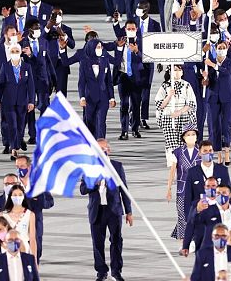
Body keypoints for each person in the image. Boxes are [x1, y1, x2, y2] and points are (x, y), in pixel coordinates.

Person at [80, 138, 133, 281]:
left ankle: (116, 271)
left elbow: (124, 190)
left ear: (109, 150)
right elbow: (83, 189)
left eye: (104, 149)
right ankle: (101, 271)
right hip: (96, 211)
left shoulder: (117, 166)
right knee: (97, 243)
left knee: (116, 241)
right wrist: (94, 183)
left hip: (114, 210)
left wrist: (129, 211)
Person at [69, 38, 121, 139]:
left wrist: (112, 98)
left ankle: (101, 145)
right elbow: (82, 82)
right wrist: (82, 97)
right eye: (98, 47)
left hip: (103, 97)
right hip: (89, 98)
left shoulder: (104, 60)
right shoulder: (84, 62)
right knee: (90, 122)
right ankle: (90, 144)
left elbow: (108, 81)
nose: (100, 49)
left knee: (101, 122)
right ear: (91, 48)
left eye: (101, 47)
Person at [122, 1, 161, 129]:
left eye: (140, 8)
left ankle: (143, 118)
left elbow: (158, 44)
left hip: (148, 61)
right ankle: (133, 116)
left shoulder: (155, 25)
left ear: (146, 9)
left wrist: (159, 60)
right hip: (135, 61)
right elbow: (123, 35)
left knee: (146, 90)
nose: (138, 9)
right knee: (135, 89)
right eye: (137, 7)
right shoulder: (133, 23)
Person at [0, 44, 36, 159]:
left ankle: (16, 144)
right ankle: (14, 149)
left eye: (16, 50)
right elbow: (0, 84)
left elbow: (31, 85)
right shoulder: (5, 66)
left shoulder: (27, 67)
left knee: (20, 126)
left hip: (22, 101)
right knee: (12, 124)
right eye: (12, 51)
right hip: (8, 102)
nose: (14, 52)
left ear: (20, 52)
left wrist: (31, 101)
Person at [21, 18, 56, 144]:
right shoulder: (22, 44)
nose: (38, 30)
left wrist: (54, 80)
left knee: (45, 107)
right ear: (29, 29)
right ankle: (33, 135)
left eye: (39, 28)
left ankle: (42, 133)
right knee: (29, 109)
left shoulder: (44, 42)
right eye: (36, 28)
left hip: (43, 80)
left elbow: (48, 62)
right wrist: (29, 55)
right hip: (28, 81)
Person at [15, 155, 55, 263]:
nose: (19, 169)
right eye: (17, 167)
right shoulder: (12, 183)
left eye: (22, 166)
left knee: (36, 252)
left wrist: (39, 201)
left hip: (35, 224)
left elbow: (50, 202)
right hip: (16, 225)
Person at [204, 39, 231, 166]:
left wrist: (213, 65)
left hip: (228, 97)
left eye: (224, 47)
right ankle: (218, 154)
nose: (221, 49)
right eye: (219, 47)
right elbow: (208, 79)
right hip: (213, 97)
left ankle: (227, 153)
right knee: (214, 127)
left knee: (226, 125)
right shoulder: (210, 60)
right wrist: (205, 78)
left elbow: (228, 73)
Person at [111, 19, 146, 140]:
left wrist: (137, 51)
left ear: (137, 30)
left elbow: (147, 59)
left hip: (137, 78)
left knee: (136, 105)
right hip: (123, 76)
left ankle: (135, 129)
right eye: (128, 29)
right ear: (125, 30)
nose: (131, 31)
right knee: (124, 105)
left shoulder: (142, 42)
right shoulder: (120, 42)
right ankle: (124, 131)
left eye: (133, 29)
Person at [167, 125, 201, 241]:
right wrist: (169, 189)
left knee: (196, 214)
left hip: (197, 190)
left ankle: (195, 239)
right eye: (188, 135)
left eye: (193, 134)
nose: (191, 137)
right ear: (183, 137)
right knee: (182, 214)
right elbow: (172, 172)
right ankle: (183, 241)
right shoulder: (177, 152)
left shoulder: (201, 152)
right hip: (182, 188)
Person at [0, 25, 19, 154]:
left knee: (19, 118)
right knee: (5, 118)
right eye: (11, 34)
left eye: (15, 34)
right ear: (5, 35)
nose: (14, 36)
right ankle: (7, 143)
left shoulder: (20, 48)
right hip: (4, 89)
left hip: (20, 88)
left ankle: (15, 142)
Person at [156, 67, 197, 157]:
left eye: (179, 70)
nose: (177, 72)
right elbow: (159, 105)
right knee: (171, 146)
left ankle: (183, 167)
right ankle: (173, 166)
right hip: (169, 118)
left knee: (183, 144)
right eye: (175, 70)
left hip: (184, 118)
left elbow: (191, 103)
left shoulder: (186, 85)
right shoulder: (165, 86)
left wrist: (180, 112)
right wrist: (169, 96)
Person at [44, 7, 76, 95]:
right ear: (50, 16)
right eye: (55, 14)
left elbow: (72, 45)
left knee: (61, 93)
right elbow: (41, 39)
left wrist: (63, 35)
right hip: (48, 63)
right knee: (46, 92)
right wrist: (48, 27)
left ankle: (60, 108)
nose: (57, 16)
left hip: (62, 63)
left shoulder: (67, 29)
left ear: (62, 16)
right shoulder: (46, 28)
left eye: (59, 14)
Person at [0, 185, 37, 255]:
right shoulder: (2, 215)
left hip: (24, 250)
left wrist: (34, 259)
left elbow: (32, 239)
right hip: (7, 251)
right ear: (10, 196)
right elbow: (1, 239)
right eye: (15, 195)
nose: (17, 197)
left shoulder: (30, 214)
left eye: (20, 195)